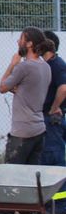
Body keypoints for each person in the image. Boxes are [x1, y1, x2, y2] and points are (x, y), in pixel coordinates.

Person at [0, 27, 52, 214]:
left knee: (10, 174)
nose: (18, 41)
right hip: (39, 129)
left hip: (21, 131)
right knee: (30, 177)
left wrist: (12, 65)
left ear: (29, 44)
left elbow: (2, 87)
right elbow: (28, 91)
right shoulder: (45, 67)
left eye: (21, 38)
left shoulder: (23, 67)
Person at [38, 30, 66, 167]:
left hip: (52, 120)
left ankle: (61, 189)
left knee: (54, 162)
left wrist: (53, 108)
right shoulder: (46, 65)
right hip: (46, 119)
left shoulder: (57, 65)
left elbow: (63, 89)